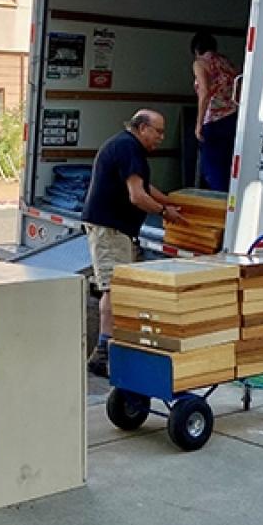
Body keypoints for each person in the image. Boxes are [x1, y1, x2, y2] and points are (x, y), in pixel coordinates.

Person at [82, 109, 186, 377]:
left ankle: (115, 347)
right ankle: (103, 353)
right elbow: (137, 196)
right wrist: (165, 214)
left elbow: (145, 188)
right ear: (142, 128)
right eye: (158, 131)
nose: (161, 138)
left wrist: (169, 201)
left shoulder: (126, 147)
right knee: (113, 288)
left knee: (120, 287)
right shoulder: (129, 148)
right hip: (111, 229)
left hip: (116, 229)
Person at [191, 31, 239, 192]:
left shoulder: (200, 63)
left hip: (214, 118)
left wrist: (198, 123)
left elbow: (204, 92)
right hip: (233, 115)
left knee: (212, 168)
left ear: (196, 50)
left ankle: (219, 204)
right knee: (228, 164)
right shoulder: (226, 62)